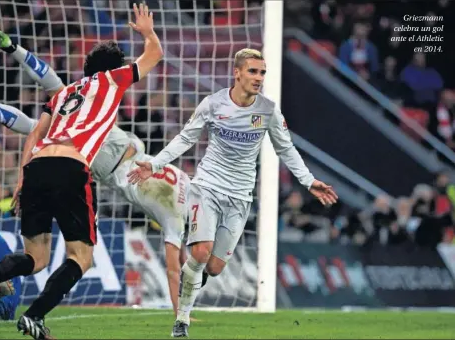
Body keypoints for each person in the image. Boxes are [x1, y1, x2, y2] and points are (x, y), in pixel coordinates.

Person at [0, 17, 188, 318]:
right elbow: (154, 54)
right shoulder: (110, 86)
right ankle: (34, 317)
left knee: (34, 256)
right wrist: (147, 32)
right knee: (80, 257)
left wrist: (20, 176)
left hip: (47, 162)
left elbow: (34, 131)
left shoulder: (72, 94)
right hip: (95, 163)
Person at [128, 48, 339, 337]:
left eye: (262, 72)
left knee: (213, 268)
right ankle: (182, 320)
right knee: (200, 252)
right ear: (237, 73)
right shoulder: (213, 104)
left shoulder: (267, 110)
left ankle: (188, 283)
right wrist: (154, 164)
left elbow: (285, 148)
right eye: (253, 71)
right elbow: (185, 139)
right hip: (207, 187)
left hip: (240, 197)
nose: (259, 77)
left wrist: (308, 180)